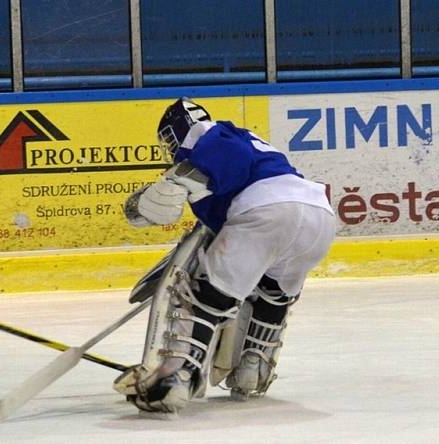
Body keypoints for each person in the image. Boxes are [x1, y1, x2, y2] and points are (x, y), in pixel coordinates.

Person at [114, 97, 336, 414]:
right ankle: (252, 370)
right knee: (273, 294)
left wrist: (173, 181)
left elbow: (164, 201)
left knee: (204, 297)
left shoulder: (207, 136)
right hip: (318, 216)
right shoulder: (252, 149)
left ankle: (175, 377)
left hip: (266, 211)